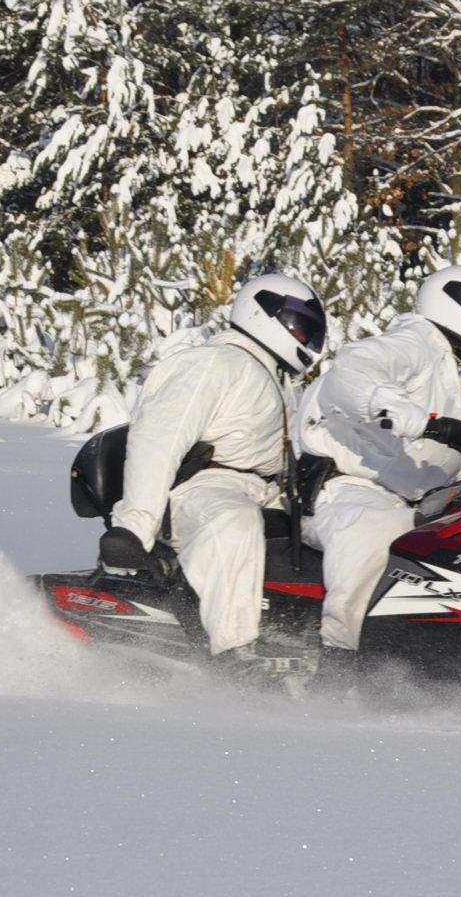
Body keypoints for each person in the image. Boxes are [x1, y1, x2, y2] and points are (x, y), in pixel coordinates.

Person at [296, 264, 461, 687]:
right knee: (377, 539)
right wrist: (394, 407)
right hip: (351, 486)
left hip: (429, 498)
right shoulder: (416, 341)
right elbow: (353, 370)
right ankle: (337, 668)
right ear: (452, 302)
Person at [97, 273, 326, 685]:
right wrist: (133, 526)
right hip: (204, 487)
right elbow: (158, 440)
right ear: (262, 313)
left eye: (309, 330)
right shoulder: (213, 363)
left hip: (264, 491)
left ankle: (328, 647)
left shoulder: (274, 376)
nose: (304, 337)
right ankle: (233, 652)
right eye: (298, 325)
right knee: (233, 522)